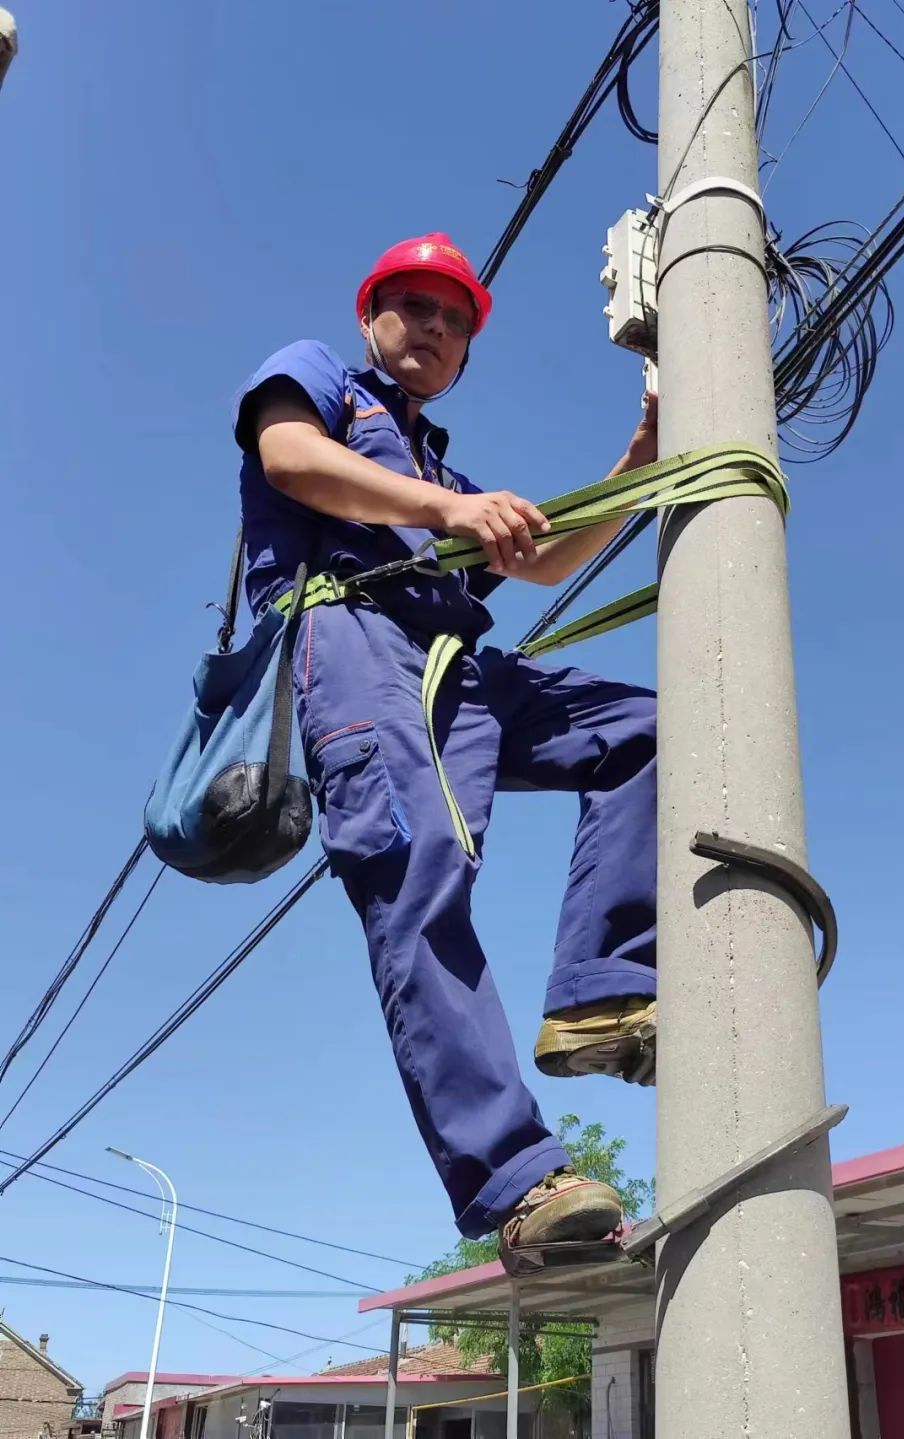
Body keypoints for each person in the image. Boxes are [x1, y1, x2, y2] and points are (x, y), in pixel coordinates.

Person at [233, 233, 657, 1256]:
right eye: (415, 307)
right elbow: (286, 457)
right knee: (419, 874)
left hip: (458, 668)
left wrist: (643, 457)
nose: (433, 327)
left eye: (454, 320)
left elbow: (546, 557)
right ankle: (516, 1181)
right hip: (355, 643)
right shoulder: (324, 383)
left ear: (467, 352)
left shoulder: (441, 466)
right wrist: (447, 508)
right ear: (371, 317)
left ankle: (599, 997)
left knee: (645, 726)